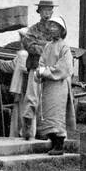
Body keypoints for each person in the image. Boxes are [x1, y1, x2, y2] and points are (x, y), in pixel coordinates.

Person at [35, 14, 77, 155]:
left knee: (57, 114)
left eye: (55, 26)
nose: (52, 28)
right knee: (48, 113)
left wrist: (46, 71)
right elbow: (41, 62)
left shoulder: (64, 47)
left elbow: (63, 67)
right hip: (48, 86)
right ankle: (53, 143)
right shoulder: (48, 46)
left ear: (61, 30)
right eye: (50, 26)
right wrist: (39, 71)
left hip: (59, 85)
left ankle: (59, 145)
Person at [8, 30, 41, 140]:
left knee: (25, 111)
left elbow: (24, 69)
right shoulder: (24, 54)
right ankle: (26, 133)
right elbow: (12, 65)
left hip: (24, 87)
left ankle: (26, 133)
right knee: (25, 110)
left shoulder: (24, 54)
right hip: (25, 87)